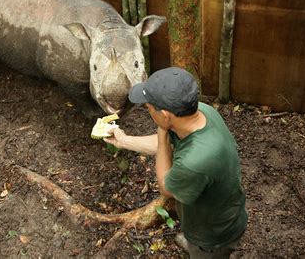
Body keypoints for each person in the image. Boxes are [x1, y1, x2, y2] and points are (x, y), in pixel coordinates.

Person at [104, 67, 247, 258]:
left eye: (148, 108)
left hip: (212, 236)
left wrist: (162, 134)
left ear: (165, 115)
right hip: (221, 209)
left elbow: (166, 186)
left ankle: (197, 248)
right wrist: (124, 141)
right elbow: (166, 143)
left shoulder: (195, 162)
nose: (148, 112)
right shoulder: (201, 112)